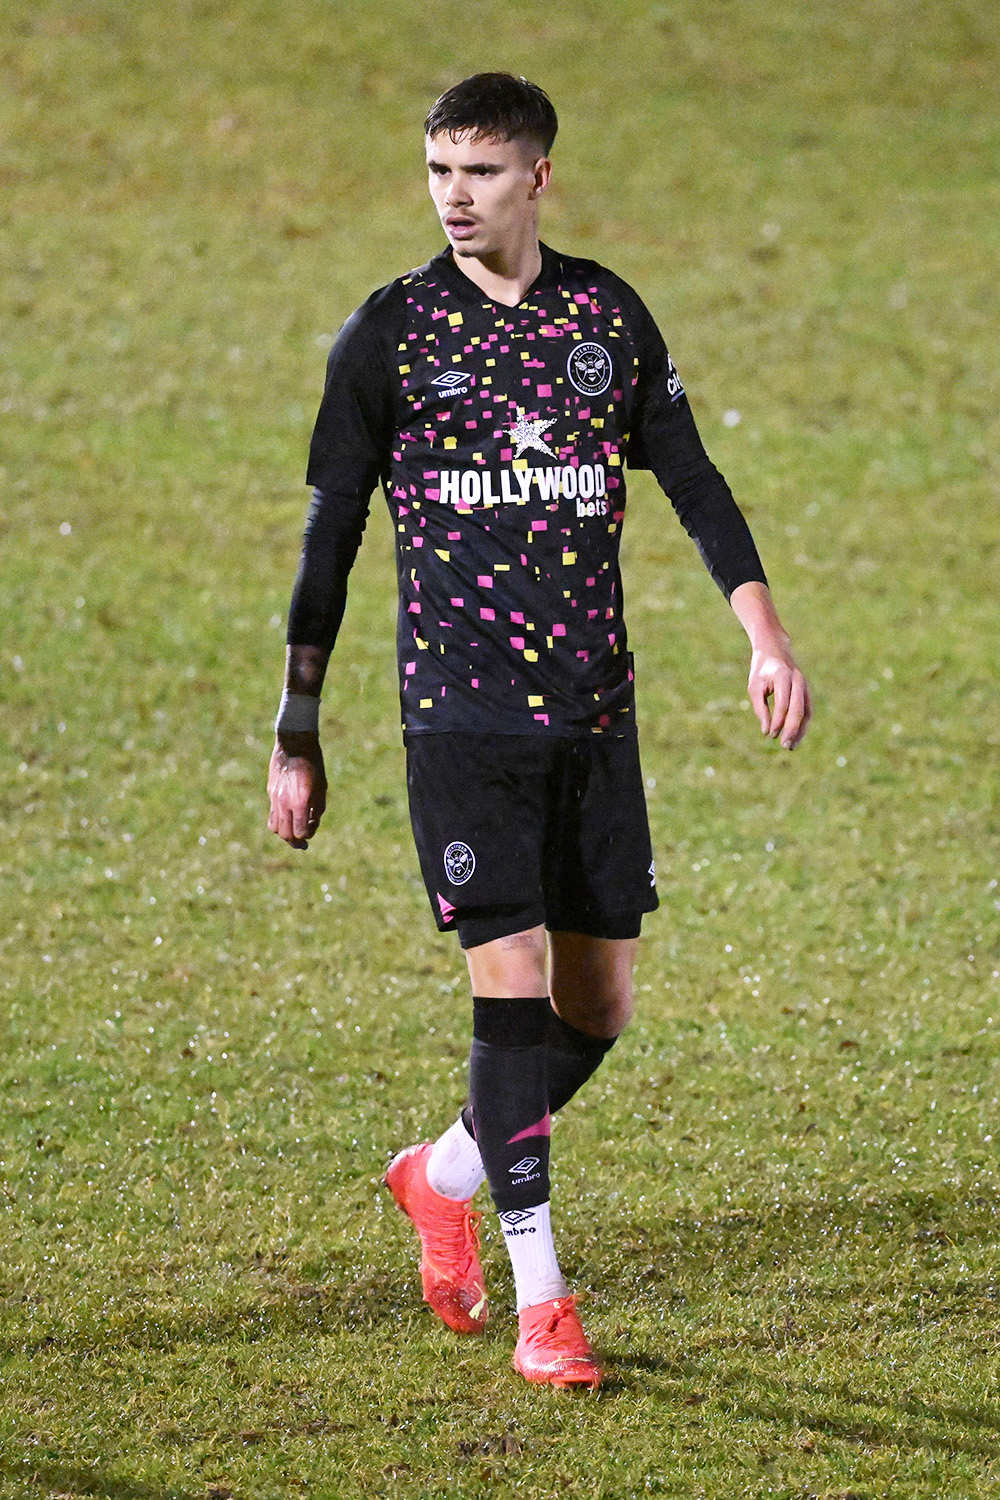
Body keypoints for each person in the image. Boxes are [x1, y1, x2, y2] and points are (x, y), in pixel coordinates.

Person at [267, 72, 811, 1390]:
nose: (457, 194)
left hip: (595, 716)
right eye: (440, 169)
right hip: (460, 723)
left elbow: (690, 478)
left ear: (538, 178)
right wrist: (298, 724)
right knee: (506, 994)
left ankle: (440, 1175)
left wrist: (763, 630)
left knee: (599, 1007)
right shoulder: (390, 338)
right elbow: (331, 536)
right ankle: (541, 1302)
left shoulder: (603, 321)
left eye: (483, 171)